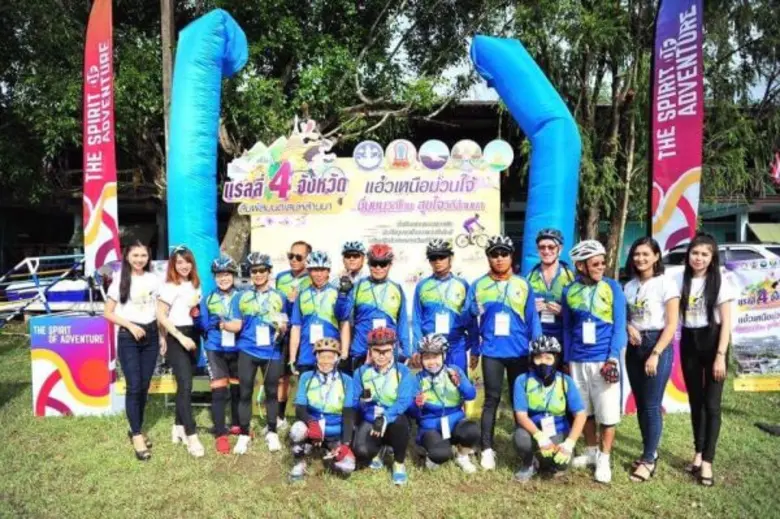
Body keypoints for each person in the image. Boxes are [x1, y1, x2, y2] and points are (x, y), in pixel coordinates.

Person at [465, 235, 542, 470]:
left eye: (504, 254)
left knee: (520, 400)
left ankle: (524, 447)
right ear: (488, 257)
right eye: (494, 254)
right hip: (492, 351)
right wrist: (475, 347)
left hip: (519, 351)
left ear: (511, 256)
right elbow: (470, 320)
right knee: (492, 399)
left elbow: (532, 318)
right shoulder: (478, 285)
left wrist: (537, 348)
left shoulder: (522, 284)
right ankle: (487, 449)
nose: (499, 259)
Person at [562, 239, 627, 484]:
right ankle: (590, 451)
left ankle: (604, 458)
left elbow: (619, 326)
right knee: (584, 410)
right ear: (581, 266)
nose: (601, 267)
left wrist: (612, 358)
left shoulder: (612, 287)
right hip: (577, 360)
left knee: (607, 414)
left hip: (604, 360)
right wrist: (567, 359)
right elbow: (567, 328)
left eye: (603, 262)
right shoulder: (569, 290)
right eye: (595, 263)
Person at [675, 233, 735, 487]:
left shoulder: (720, 281)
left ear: (712, 257)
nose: (698, 258)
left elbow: (727, 323)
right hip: (689, 341)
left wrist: (720, 356)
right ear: (688, 254)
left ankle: (708, 461)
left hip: (713, 342)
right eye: (695, 253)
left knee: (712, 404)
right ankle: (698, 453)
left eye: (704, 254)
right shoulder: (679, 278)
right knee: (695, 401)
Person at [623, 237, 680, 482]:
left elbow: (672, 324)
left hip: (657, 345)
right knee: (640, 403)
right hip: (634, 347)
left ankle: (648, 460)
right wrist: (628, 327)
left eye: (646, 254)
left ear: (656, 256)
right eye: (637, 254)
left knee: (651, 405)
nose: (640, 258)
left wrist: (655, 353)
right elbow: (624, 317)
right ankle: (649, 451)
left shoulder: (666, 284)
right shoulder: (629, 286)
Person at [104, 240, 161, 461]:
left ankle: (137, 426)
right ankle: (136, 435)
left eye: (143, 256)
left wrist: (162, 337)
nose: (139, 259)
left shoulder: (154, 279)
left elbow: (158, 310)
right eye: (135, 255)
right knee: (134, 385)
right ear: (127, 256)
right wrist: (130, 326)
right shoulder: (119, 279)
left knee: (144, 386)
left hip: (151, 336)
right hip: (129, 337)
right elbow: (108, 312)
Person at [232, 252, 289, 454]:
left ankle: (272, 431)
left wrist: (283, 328)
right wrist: (222, 324)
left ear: (268, 271)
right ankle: (244, 434)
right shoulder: (241, 296)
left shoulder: (279, 296)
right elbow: (237, 324)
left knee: (272, 392)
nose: (258, 274)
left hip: (271, 351)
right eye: (254, 271)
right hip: (247, 349)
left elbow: (286, 324)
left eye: (262, 270)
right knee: (245, 392)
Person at [512, 336, 587, 483]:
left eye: (548, 358)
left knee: (561, 462)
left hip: (558, 430)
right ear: (532, 359)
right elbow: (521, 415)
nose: (543, 362)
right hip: (532, 429)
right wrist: (539, 436)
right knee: (520, 438)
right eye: (538, 358)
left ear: (556, 359)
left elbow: (580, 414)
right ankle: (529, 464)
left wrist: (570, 443)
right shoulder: (522, 380)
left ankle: (552, 465)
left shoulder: (566, 381)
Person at [156, 245, 205, 458]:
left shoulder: (195, 285)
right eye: (179, 262)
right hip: (178, 337)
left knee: (186, 384)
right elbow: (161, 315)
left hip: (193, 336)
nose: (184, 266)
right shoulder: (169, 286)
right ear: (173, 265)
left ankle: (177, 426)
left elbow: (195, 312)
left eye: (187, 261)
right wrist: (170, 337)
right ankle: (191, 435)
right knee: (185, 384)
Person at [351, 328, 415, 485]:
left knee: (399, 422)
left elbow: (403, 402)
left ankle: (398, 463)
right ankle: (380, 449)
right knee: (361, 452)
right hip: (370, 417)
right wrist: (361, 403)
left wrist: (385, 417)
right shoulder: (361, 372)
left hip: (393, 417)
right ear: (370, 351)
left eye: (386, 351)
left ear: (393, 349)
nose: (381, 355)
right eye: (377, 351)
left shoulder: (403, 371)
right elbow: (353, 401)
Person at [289, 338, 356, 482]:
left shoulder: (347, 381)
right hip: (313, 427)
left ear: (336, 359)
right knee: (297, 430)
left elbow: (348, 415)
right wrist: (312, 423)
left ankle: (328, 451)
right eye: (322, 357)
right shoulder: (306, 377)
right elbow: (300, 409)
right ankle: (300, 461)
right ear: (316, 358)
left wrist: (346, 444)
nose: (325, 361)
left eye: (330, 357)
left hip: (334, 430)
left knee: (347, 466)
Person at [410, 334, 480, 473]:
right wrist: (417, 404)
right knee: (441, 454)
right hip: (431, 426)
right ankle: (430, 453)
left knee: (473, 430)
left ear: (443, 356)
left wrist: (460, 383)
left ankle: (462, 455)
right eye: (427, 357)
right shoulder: (417, 379)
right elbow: (412, 413)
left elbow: (471, 395)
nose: (432, 362)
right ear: (421, 359)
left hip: (455, 420)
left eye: (435, 356)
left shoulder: (454, 371)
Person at [337, 243, 410, 374]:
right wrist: (343, 294)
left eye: (383, 264)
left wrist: (406, 352)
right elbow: (342, 315)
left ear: (390, 265)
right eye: (374, 263)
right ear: (368, 264)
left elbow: (403, 323)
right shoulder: (358, 286)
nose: (378, 268)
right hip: (361, 350)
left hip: (387, 351)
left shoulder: (396, 288)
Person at [411, 239, 477, 372]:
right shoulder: (422, 286)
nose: (438, 261)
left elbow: (471, 320)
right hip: (430, 347)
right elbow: (417, 319)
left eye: (442, 257)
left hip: (456, 345)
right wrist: (416, 348)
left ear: (450, 258)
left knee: (457, 383)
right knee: (431, 384)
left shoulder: (462, 285)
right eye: (433, 258)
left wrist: (475, 348)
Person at [199, 254, 243, 454]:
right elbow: (203, 325)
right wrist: (210, 323)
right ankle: (220, 433)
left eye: (227, 275)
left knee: (237, 389)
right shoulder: (208, 298)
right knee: (219, 391)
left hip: (238, 348)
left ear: (233, 276)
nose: (223, 278)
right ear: (214, 277)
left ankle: (236, 424)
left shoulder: (242, 296)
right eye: (219, 275)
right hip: (215, 348)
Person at [289, 251, 351, 374]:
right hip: (306, 355)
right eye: (315, 270)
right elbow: (296, 327)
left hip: (330, 353)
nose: (319, 274)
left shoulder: (338, 293)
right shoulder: (302, 294)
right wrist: (292, 357)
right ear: (309, 271)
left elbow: (344, 323)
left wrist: (344, 353)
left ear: (328, 271)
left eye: (322, 270)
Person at [274, 240, 313, 431]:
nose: (294, 260)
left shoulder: (313, 277)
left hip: (304, 335)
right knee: (282, 377)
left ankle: (308, 420)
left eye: (299, 257)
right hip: (284, 333)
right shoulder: (281, 277)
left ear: (308, 259)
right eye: (291, 256)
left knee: (306, 377)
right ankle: (279, 418)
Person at [526, 229, 575, 345]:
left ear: (560, 249)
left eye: (551, 247)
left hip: (563, 338)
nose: (546, 251)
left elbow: (581, 312)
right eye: (542, 247)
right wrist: (531, 310)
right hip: (537, 338)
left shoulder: (571, 277)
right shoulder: (529, 277)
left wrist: (564, 312)